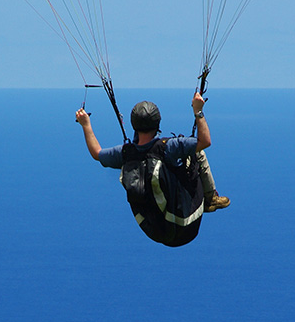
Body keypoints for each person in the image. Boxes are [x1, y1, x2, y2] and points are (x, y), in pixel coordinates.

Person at [75, 91, 229, 245]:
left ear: (134, 125)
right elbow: (205, 141)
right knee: (197, 151)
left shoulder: (126, 154)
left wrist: (85, 124)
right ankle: (211, 198)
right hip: (186, 224)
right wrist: (198, 111)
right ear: (158, 124)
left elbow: (97, 153)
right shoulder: (169, 148)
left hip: (156, 230)